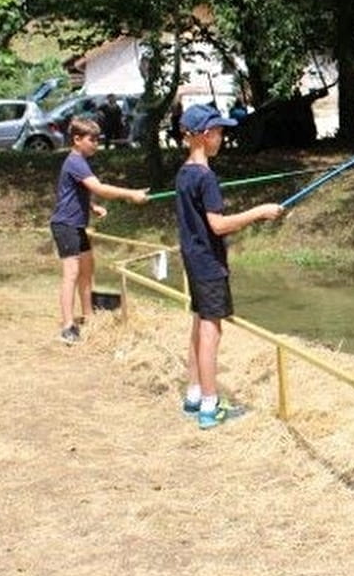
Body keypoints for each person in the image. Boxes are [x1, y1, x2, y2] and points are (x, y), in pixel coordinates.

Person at [175, 103, 284, 429]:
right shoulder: (206, 177)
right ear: (205, 135)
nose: (222, 137)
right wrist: (259, 211)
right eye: (220, 132)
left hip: (193, 261)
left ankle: (194, 395)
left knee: (199, 324)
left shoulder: (184, 173)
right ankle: (211, 406)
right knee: (212, 329)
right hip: (208, 265)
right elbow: (218, 225)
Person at [50, 116, 149, 344]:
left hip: (77, 225)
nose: (96, 144)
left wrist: (92, 206)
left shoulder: (80, 161)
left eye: (98, 139)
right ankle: (67, 326)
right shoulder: (75, 161)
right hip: (65, 226)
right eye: (91, 139)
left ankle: (88, 316)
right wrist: (131, 194)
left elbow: (74, 192)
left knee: (87, 269)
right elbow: (99, 188)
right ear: (77, 139)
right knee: (72, 274)